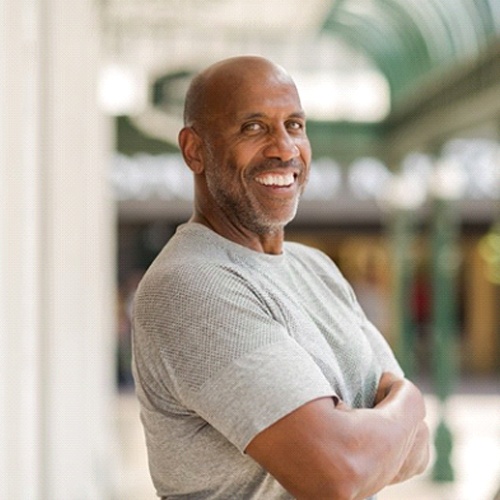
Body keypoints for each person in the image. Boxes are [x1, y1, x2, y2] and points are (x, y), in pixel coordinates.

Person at [132, 55, 429, 500]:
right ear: (195, 149)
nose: (284, 149)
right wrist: (410, 404)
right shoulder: (193, 284)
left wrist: (371, 434)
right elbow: (338, 474)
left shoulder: (316, 268)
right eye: (253, 127)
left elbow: (418, 450)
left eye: (294, 125)